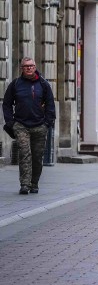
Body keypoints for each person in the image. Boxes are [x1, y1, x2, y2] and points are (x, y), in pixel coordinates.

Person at [3, 57, 56, 195]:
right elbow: (7, 104)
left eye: (31, 66)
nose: (29, 68)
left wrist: (47, 123)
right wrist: (11, 123)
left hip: (40, 125)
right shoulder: (15, 85)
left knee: (37, 156)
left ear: (35, 66)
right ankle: (25, 184)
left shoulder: (43, 84)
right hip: (21, 125)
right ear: (22, 68)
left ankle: (34, 183)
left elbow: (50, 105)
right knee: (24, 154)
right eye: (26, 66)